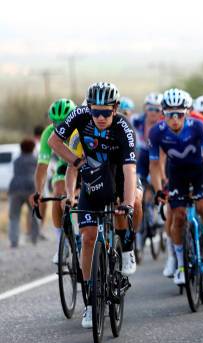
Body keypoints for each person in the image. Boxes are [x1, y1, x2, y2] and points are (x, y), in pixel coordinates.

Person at [48, 82, 141, 328]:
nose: (100, 117)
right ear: (88, 108)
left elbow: (130, 170)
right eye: (95, 111)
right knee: (88, 238)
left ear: (116, 108)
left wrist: (128, 203)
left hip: (119, 175)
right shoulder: (80, 116)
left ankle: (127, 249)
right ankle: (90, 305)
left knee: (133, 203)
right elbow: (54, 143)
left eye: (106, 112)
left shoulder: (123, 127)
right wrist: (78, 162)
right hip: (93, 178)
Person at [149, 88, 203, 285]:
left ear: (187, 113)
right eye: (170, 115)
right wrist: (159, 189)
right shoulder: (156, 132)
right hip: (176, 173)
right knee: (177, 217)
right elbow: (154, 164)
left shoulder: (198, 127)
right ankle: (181, 265)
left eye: (179, 114)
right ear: (164, 114)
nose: (175, 119)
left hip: (199, 170)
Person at [29, 98, 77, 262]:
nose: (59, 127)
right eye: (55, 123)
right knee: (58, 193)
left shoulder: (83, 128)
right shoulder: (48, 133)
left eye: (63, 122)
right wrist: (39, 191)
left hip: (86, 166)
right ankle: (62, 243)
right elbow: (42, 167)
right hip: (65, 166)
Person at [8, 138, 38, 248]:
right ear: (32, 148)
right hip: (31, 188)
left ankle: (14, 241)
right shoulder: (35, 160)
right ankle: (34, 238)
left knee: (14, 216)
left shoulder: (16, 160)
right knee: (34, 214)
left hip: (15, 188)